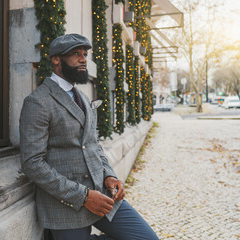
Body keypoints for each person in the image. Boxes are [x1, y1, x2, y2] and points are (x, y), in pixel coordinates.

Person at [19, 34, 159, 240]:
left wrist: (109, 175)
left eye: (85, 54)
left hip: (102, 194)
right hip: (65, 205)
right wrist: (83, 196)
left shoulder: (83, 98)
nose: (83, 59)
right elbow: (32, 163)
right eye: (75, 54)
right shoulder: (37, 101)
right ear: (56, 59)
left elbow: (93, 145)